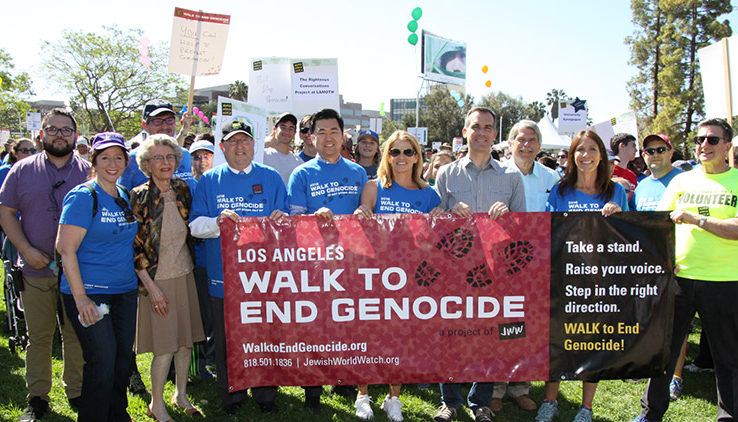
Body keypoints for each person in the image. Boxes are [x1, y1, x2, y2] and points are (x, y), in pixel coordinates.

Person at [632, 118, 738, 422]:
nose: (704, 145)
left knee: (728, 357)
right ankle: (650, 413)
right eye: (699, 139)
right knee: (664, 353)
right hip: (680, 279)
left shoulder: (737, 180)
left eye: (712, 140)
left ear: (727, 146)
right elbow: (660, 224)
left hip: (725, 281)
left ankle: (728, 415)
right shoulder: (681, 182)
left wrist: (697, 219)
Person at [433, 107, 526, 422]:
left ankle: (481, 402)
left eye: (488, 127)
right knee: (450, 335)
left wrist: (508, 218)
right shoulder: (447, 174)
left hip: (494, 270)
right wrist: (448, 214)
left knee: (488, 336)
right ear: (465, 132)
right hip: (454, 269)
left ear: (494, 133)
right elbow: (434, 225)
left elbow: (522, 230)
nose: (482, 133)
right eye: (476, 127)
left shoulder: (511, 176)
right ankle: (449, 401)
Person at [190, 120, 288, 416]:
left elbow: (287, 224)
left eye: (244, 141)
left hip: (264, 277)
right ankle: (232, 394)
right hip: (223, 277)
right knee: (226, 339)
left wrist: (281, 220)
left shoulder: (271, 177)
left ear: (253, 145)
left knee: (265, 335)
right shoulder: (209, 181)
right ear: (222, 147)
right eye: (232, 142)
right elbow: (195, 226)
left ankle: (265, 393)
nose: (239, 147)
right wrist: (217, 222)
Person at [0, 108, 88, 422]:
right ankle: (37, 397)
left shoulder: (89, 171)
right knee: (38, 337)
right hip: (35, 269)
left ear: (75, 135)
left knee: (75, 334)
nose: (59, 135)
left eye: (66, 130)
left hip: (78, 273)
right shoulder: (21, 170)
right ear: (42, 134)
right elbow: (6, 212)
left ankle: (76, 391)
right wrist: (25, 249)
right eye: (53, 129)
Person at [539, 130, 629, 422]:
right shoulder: (560, 191)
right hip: (564, 278)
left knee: (594, 342)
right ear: (572, 156)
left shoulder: (615, 191)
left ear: (601, 155)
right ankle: (549, 401)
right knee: (558, 340)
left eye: (592, 149)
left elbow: (631, 235)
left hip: (601, 282)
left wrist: (619, 215)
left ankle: (586, 407)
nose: (586, 155)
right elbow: (548, 230)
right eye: (580, 149)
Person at [353, 130, 443, 421]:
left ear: (417, 157)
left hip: (410, 277)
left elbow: (437, 240)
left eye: (407, 151)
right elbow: (361, 221)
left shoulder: (429, 195)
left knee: (401, 337)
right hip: (375, 274)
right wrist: (361, 213)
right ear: (387, 156)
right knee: (368, 334)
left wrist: (442, 219)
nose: (401, 157)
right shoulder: (374, 187)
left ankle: (394, 398)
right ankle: (362, 395)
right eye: (395, 151)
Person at [287, 108, 368, 409]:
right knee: (315, 325)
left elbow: (368, 214)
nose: (328, 137)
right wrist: (312, 218)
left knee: (346, 321)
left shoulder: (358, 172)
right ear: (312, 137)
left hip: (350, 260)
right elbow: (294, 220)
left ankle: (343, 380)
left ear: (342, 135)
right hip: (315, 262)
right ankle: (313, 388)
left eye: (333, 131)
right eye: (321, 132)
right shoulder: (301, 174)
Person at [56, 132, 138, 422]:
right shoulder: (83, 196)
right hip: (90, 292)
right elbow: (65, 249)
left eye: (118, 158)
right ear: (94, 161)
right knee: (101, 360)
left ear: (126, 161)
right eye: (105, 158)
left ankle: (117, 415)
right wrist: (81, 299)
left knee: (121, 360)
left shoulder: (124, 195)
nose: (112, 164)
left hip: (125, 291)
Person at [131, 134, 205, 421]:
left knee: (185, 343)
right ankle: (156, 404)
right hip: (156, 280)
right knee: (164, 348)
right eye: (158, 158)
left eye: (170, 157)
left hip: (184, 275)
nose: (165, 162)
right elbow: (134, 248)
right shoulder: (139, 196)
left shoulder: (183, 189)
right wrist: (152, 289)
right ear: (147, 164)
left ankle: (181, 394)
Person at [493, 120, 560, 414]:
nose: (526, 145)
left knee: (527, 327)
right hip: (501, 262)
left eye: (532, 140)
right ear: (510, 144)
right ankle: (495, 388)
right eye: (521, 139)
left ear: (539, 145)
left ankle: (521, 387)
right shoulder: (496, 174)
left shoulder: (551, 178)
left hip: (536, 265)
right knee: (498, 325)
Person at [119, 99, 194, 191]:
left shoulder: (185, 155)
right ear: (145, 125)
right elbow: (122, 196)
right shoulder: (131, 159)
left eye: (169, 120)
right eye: (157, 121)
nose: (164, 126)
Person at [629, 134, 682, 212]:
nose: (655, 155)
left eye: (661, 150)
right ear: (644, 156)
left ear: (671, 153)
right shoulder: (640, 188)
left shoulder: (686, 180)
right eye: (650, 151)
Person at [262, 112, 303, 185]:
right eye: (283, 127)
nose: (287, 132)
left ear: (294, 133)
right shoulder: (263, 156)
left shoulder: (299, 162)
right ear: (275, 129)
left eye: (291, 128)